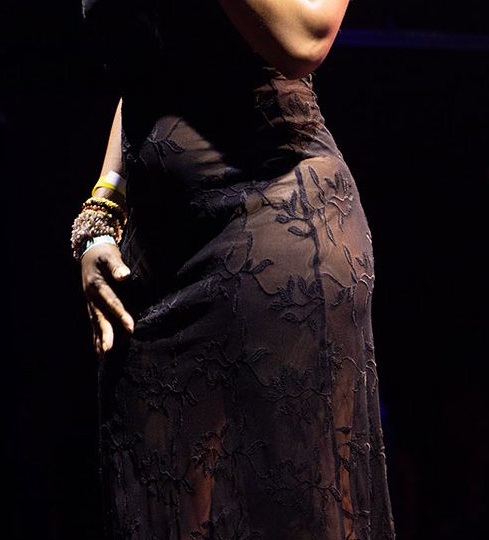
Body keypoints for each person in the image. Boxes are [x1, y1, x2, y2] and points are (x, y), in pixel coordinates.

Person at [72, 0, 397, 537]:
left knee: (295, 513)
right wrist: (102, 210)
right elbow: (147, 65)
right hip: (158, 259)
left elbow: (305, 38)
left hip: (273, 222)